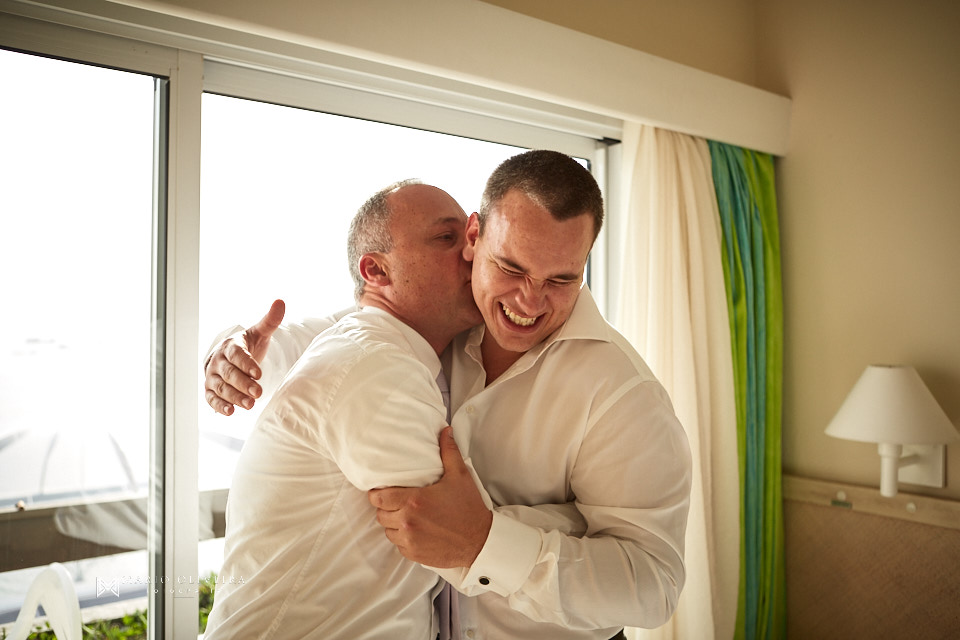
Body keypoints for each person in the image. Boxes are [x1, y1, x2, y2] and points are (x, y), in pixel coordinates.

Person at [205, 150, 692, 639]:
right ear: (478, 239)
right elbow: (335, 339)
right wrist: (231, 356)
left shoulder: (621, 392)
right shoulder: (433, 324)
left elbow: (654, 585)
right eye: (511, 267)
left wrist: (488, 540)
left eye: (561, 279)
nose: (529, 301)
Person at [204, 180, 491, 638]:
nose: (473, 254)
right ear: (376, 271)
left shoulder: (389, 343)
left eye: (473, 237)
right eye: (446, 238)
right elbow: (455, 532)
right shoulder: (377, 364)